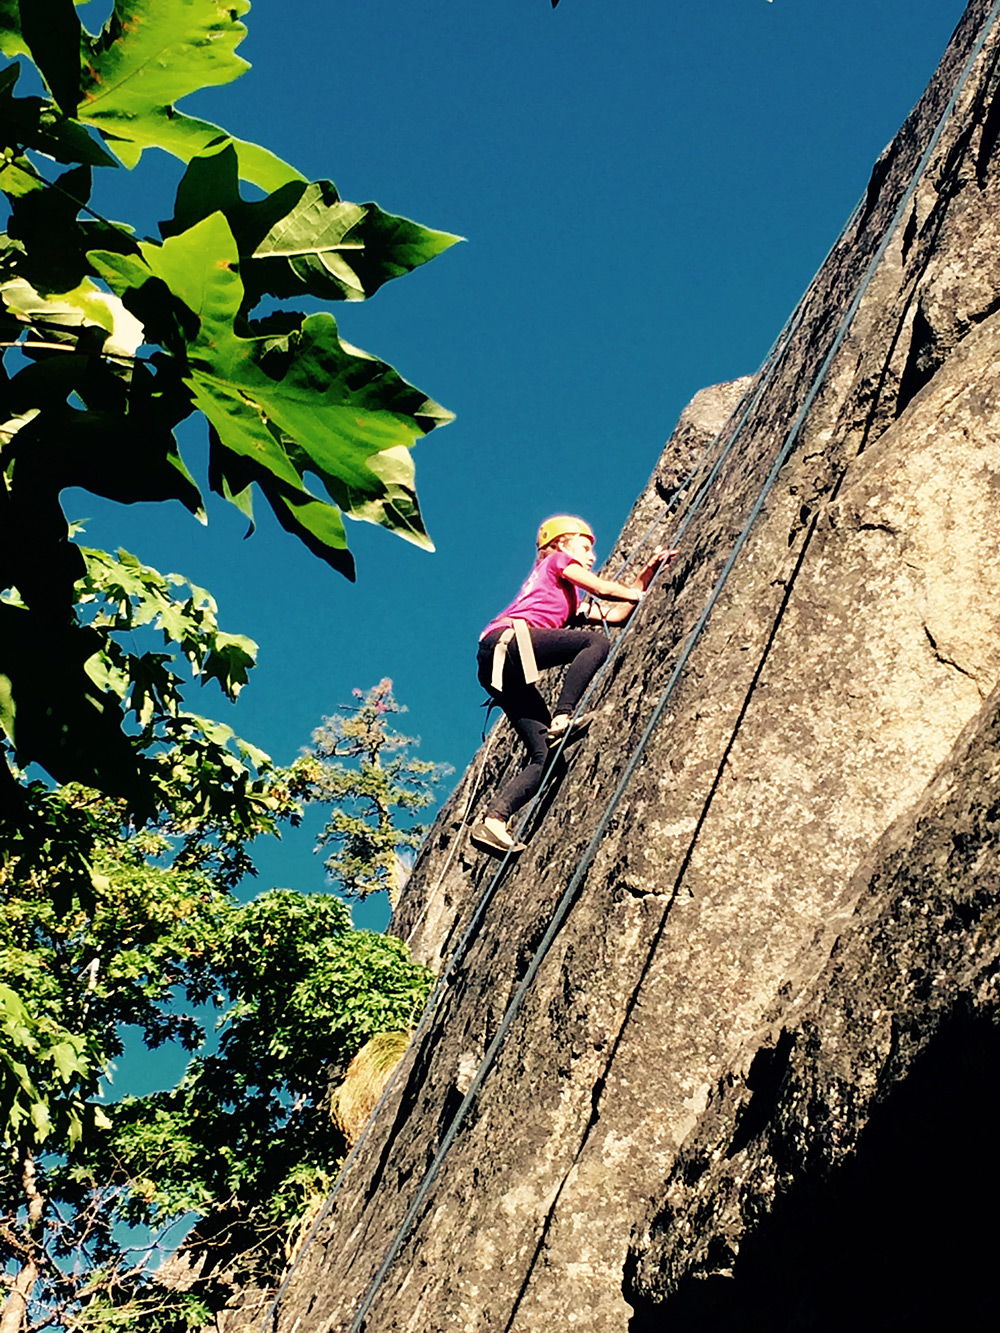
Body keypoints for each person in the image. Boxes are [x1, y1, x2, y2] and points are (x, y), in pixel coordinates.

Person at [470, 515, 676, 856]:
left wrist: (649, 574)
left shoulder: (566, 601)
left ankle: (493, 821)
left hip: (501, 666)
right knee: (594, 644)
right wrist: (637, 592)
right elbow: (604, 589)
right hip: (507, 642)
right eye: (586, 547)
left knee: (546, 757)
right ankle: (563, 718)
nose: (592, 556)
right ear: (562, 544)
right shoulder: (557, 561)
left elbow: (615, 615)